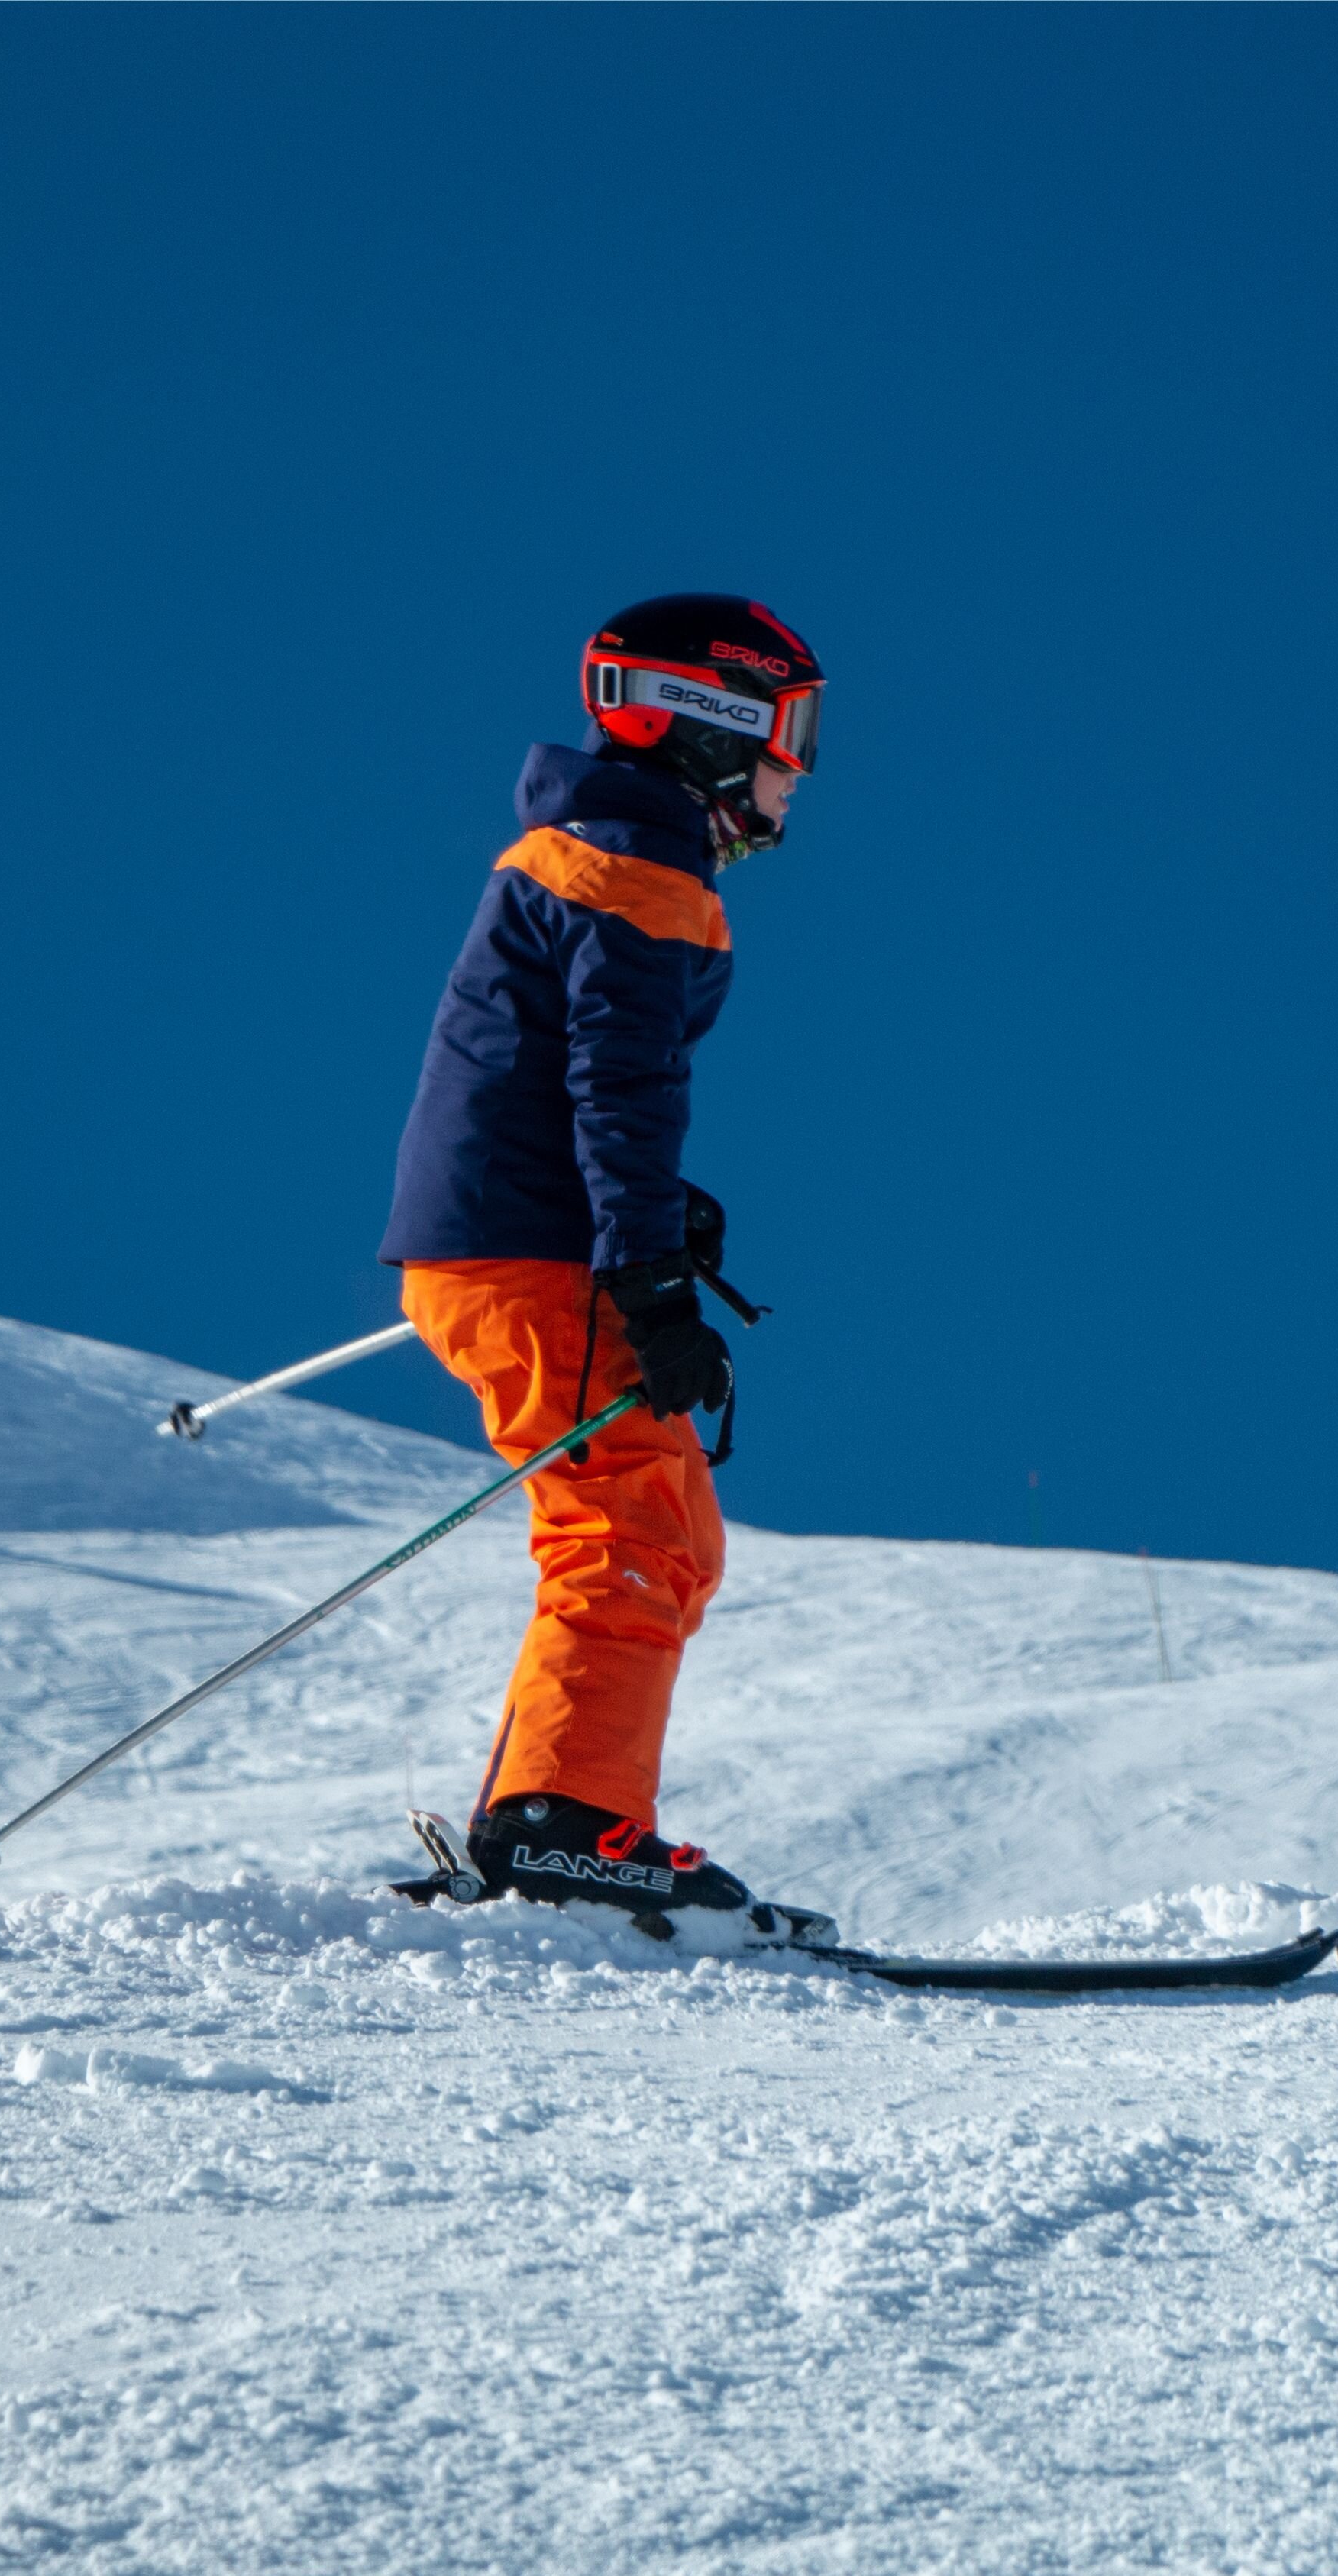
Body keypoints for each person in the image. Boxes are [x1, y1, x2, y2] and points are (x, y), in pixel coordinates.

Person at [377, 593, 829, 1940]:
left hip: (508, 1238)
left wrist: (651, 1217)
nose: (797, 767)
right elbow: (618, 1085)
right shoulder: (633, 868)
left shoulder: (594, 853)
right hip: (532, 1253)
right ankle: (561, 1830)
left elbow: (578, 1084)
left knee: (655, 1526)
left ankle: (548, 1818)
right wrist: (647, 1273)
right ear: (715, 722)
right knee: (630, 1527)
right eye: (789, 732)